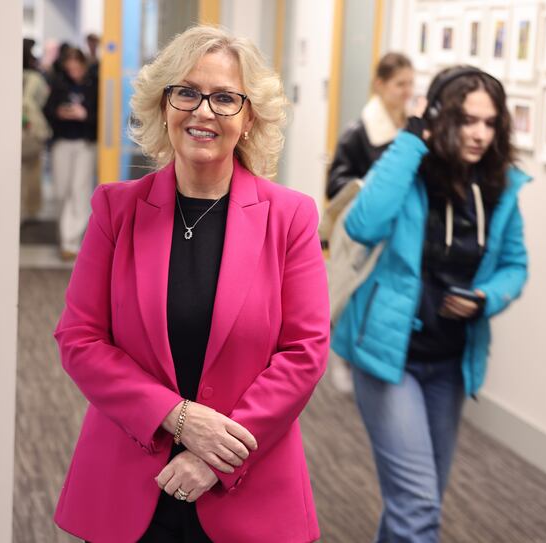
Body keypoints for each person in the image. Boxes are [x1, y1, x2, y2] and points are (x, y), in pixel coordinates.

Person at [53, 25, 330, 543]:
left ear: (249, 119)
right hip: (129, 481)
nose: (204, 111)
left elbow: (305, 352)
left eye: (225, 98)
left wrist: (217, 458)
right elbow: (80, 339)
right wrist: (178, 419)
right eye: (187, 92)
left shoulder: (289, 217)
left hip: (245, 487)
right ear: (165, 105)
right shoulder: (117, 209)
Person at [331, 65, 530, 543]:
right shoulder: (407, 170)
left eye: (489, 122)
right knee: (418, 506)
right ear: (439, 117)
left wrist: (487, 297)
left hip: (449, 362)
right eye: (466, 120)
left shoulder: (501, 187)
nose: (479, 134)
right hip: (387, 359)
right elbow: (363, 225)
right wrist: (412, 138)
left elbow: (515, 266)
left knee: (417, 502)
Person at [326, 52, 414, 199]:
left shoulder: (413, 128)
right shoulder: (357, 133)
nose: (408, 92)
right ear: (379, 84)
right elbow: (334, 186)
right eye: (400, 84)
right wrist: (373, 186)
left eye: (411, 84)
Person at [44, 47, 98, 261]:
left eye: (78, 67)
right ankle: (65, 235)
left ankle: (71, 241)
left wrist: (84, 114)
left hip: (85, 143)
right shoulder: (59, 84)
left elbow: (102, 114)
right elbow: (47, 110)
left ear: (84, 65)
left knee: (79, 190)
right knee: (61, 190)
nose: (74, 71)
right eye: (70, 67)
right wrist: (59, 112)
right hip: (62, 142)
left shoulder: (94, 84)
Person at [21, 38, 51, 222]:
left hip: (20, 130)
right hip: (31, 131)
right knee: (31, 171)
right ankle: (29, 210)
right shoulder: (35, 78)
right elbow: (41, 101)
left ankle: (19, 212)